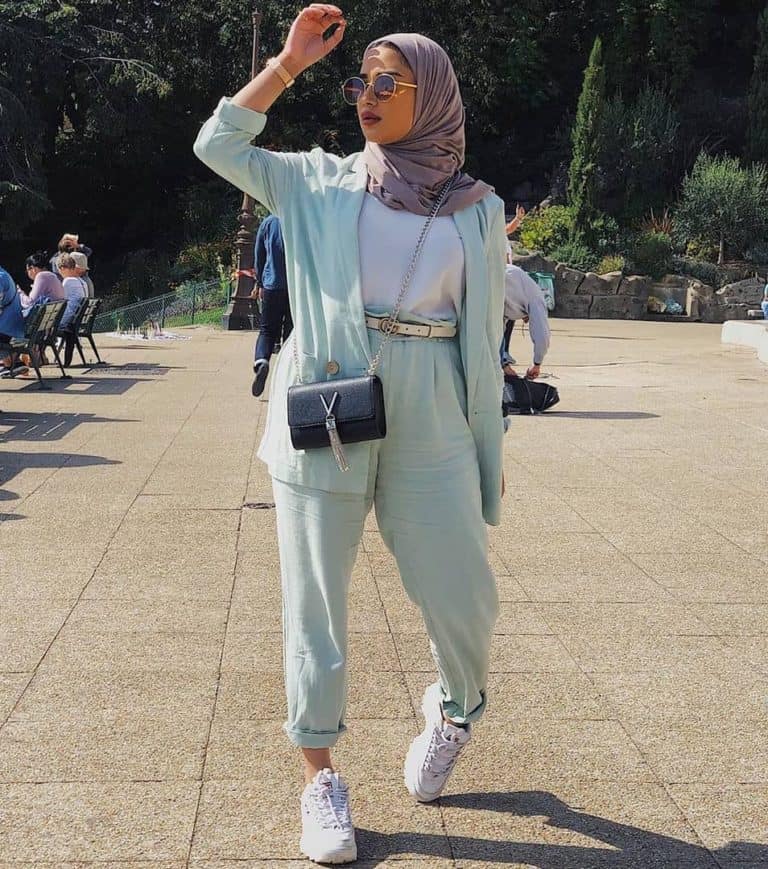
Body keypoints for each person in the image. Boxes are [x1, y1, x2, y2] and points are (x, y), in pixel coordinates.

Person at [194, 6, 506, 865]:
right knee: (315, 605)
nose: (366, 95)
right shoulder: (316, 182)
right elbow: (218, 144)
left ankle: (453, 709)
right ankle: (320, 778)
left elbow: (483, 333)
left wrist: (488, 433)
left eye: (386, 82)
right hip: (326, 403)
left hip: (433, 405)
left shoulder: (479, 210)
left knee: (464, 594)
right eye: (359, 82)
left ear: (430, 96)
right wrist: (288, 64)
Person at [251, 213, 293, 396]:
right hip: (295, 286)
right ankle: (287, 375)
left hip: (271, 285)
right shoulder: (298, 216)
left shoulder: (268, 222)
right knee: (291, 333)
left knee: (267, 331)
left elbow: (259, 255)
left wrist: (259, 282)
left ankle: (262, 361)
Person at [501, 262, 551, 380]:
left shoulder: (520, 291)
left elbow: (496, 332)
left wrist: (504, 364)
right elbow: (542, 335)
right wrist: (537, 364)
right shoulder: (536, 299)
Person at [57, 254, 88, 365]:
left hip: (67, 323)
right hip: (77, 321)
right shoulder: (82, 282)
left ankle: (38, 357)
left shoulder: (67, 282)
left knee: (42, 326)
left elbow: (60, 299)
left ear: (63, 268)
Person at [0, 266, 27, 376]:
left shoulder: (1, 278)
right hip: (14, 326)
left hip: (7, 329)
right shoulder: (4, 274)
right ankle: (13, 363)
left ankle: (11, 363)